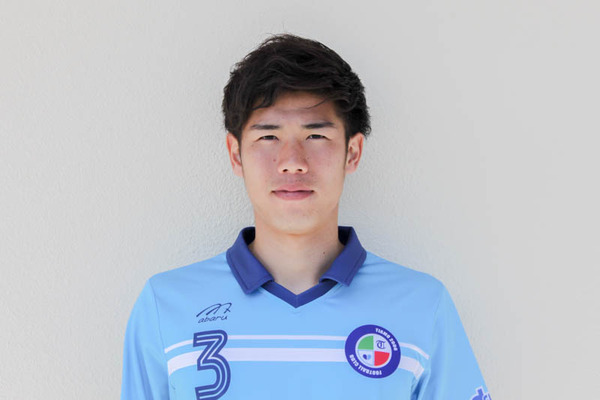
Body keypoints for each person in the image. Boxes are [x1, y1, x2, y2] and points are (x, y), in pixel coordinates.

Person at [121, 34, 491, 400]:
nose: (292, 162)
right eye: (268, 137)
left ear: (352, 152)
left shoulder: (422, 306)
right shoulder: (166, 306)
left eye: (315, 136)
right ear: (236, 154)